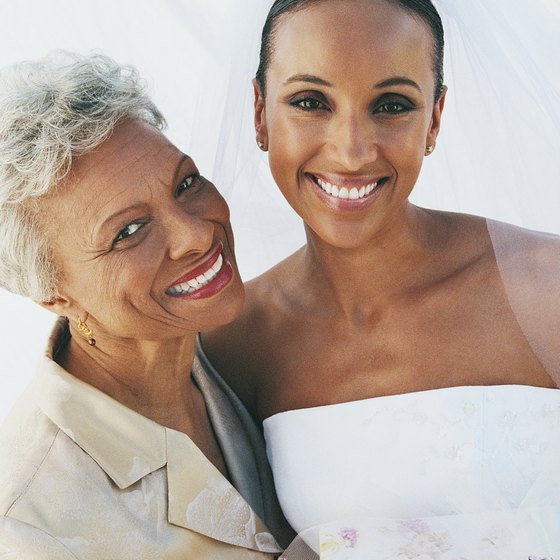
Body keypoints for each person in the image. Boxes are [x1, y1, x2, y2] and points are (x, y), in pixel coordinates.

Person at [200, 0, 560, 557]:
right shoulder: (236, 343)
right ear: (259, 113)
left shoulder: (546, 286)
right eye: (310, 102)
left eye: (391, 105)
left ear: (434, 120)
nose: (350, 151)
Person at [0, 51, 290, 558]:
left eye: (185, 184)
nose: (197, 234)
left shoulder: (245, 359)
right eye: (129, 232)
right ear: (52, 292)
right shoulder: (29, 523)